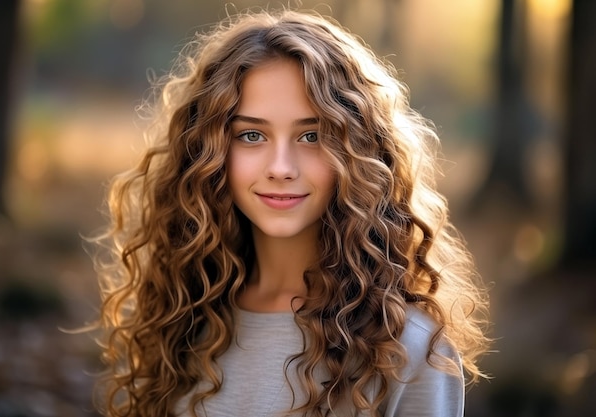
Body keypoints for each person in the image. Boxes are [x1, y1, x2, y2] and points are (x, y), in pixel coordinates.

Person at [90, 7, 490, 417]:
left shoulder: (409, 350)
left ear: (359, 154)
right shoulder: (181, 319)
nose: (281, 167)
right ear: (208, 154)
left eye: (312, 135)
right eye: (251, 135)